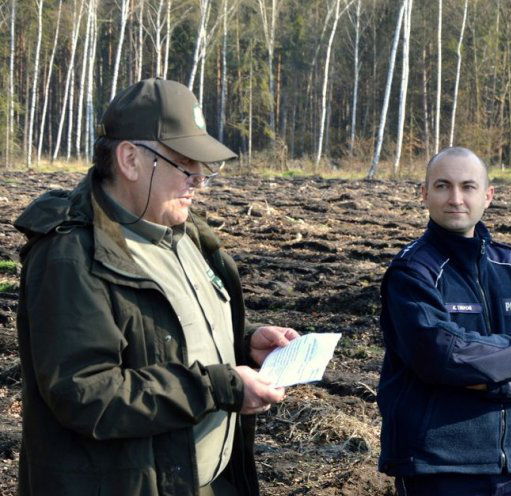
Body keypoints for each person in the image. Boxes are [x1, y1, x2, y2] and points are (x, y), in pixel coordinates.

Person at [15, 78, 299, 496]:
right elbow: (87, 394)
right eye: (187, 164)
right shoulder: (72, 256)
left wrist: (243, 348)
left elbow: (161, 340)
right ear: (130, 159)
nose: (199, 180)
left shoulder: (185, 237)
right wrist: (219, 386)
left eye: (204, 167)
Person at [376, 147, 511, 496]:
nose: (456, 199)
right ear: (424, 194)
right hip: (439, 464)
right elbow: (440, 354)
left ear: (488, 196)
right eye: (443, 186)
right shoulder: (412, 272)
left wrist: (485, 380)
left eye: (468, 187)